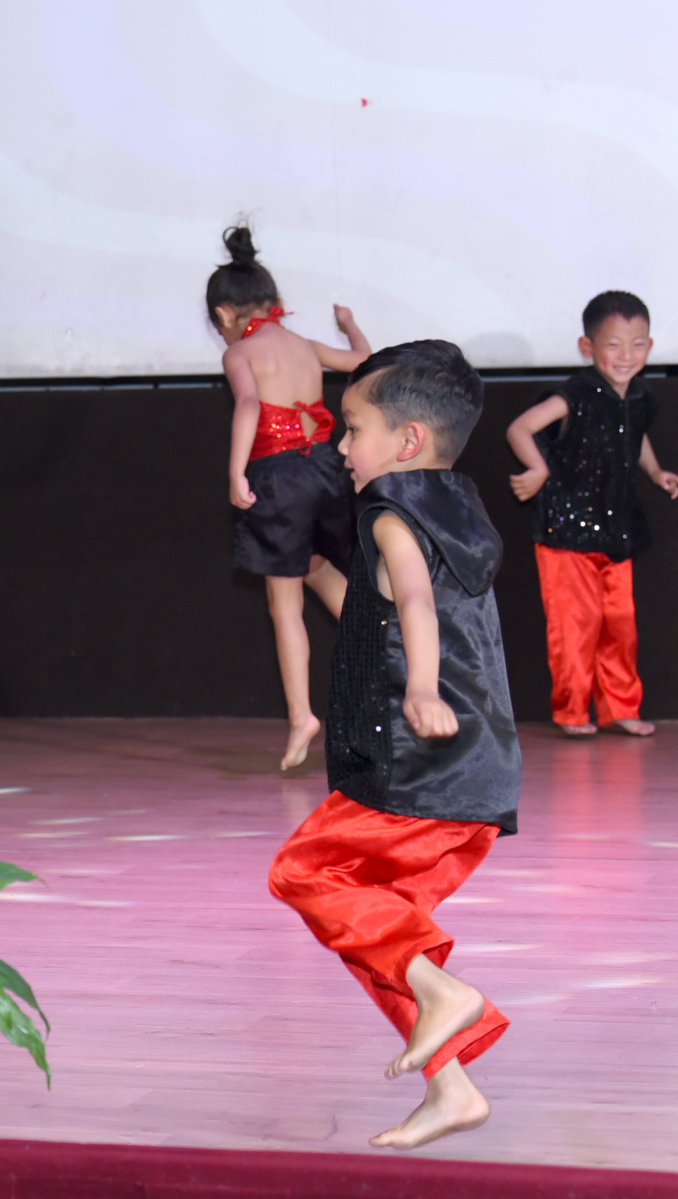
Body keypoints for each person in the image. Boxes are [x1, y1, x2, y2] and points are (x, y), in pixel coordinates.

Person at [269, 340, 521, 1150]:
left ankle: (446, 1000)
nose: (341, 446)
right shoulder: (456, 507)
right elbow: (383, 607)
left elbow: (412, 600)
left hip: (418, 768)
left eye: (353, 428)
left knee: (304, 873)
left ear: (407, 440)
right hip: (475, 772)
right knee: (378, 928)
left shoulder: (387, 512)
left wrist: (420, 689)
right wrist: (317, 573)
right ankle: (451, 1086)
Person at [208, 224, 373, 771]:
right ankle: (391, 649)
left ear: (224, 316)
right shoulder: (303, 345)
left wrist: (236, 472)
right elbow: (363, 360)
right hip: (326, 470)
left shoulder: (241, 352)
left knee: (284, 604)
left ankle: (302, 715)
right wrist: (349, 324)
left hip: (278, 476)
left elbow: (249, 406)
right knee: (318, 567)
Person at [506, 290, 678, 738]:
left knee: (620, 626)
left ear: (650, 346)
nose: (626, 356)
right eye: (613, 345)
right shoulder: (575, 395)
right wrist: (538, 468)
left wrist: (656, 471)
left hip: (616, 529)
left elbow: (636, 437)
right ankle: (572, 711)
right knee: (575, 626)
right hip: (567, 532)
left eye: (637, 344)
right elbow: (520, 428)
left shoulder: (640, 396)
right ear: (587, 347)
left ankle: (620, 707)